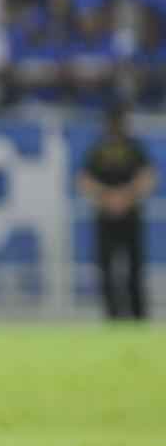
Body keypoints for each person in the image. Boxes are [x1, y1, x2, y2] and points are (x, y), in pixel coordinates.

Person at [78, 104, 158, 320]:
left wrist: (125, 197)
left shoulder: (134, 148)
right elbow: (85, 180)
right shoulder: (98, 149)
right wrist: (108, 197)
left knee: (135, 267)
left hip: (130, 213)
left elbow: (147, 176)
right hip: (106, 215)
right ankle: (112, 317)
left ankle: (138, 316)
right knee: (106, 268)